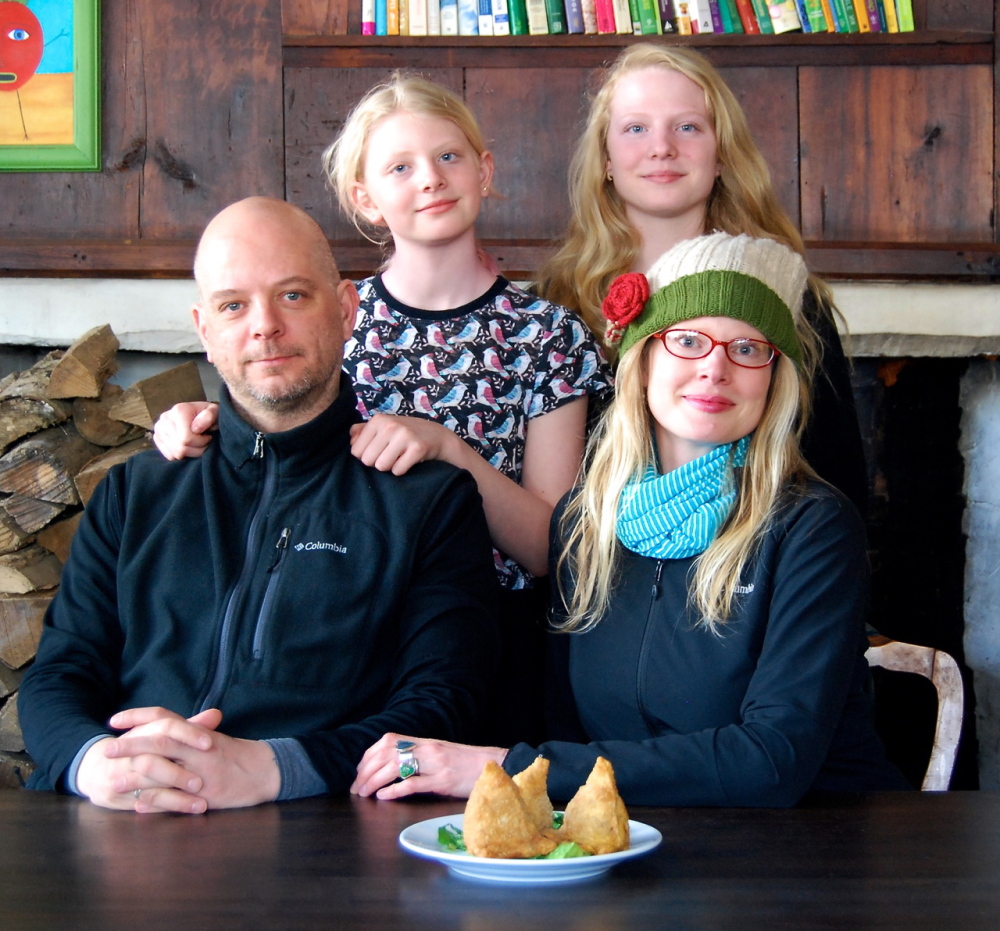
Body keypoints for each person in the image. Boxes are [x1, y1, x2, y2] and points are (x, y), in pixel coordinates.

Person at [351, 232, 906, 807]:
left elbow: (771, 762)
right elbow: (569, 738)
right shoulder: (586, 523)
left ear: (773, 379)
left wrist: (504, 767)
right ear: (642, 361)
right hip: (638, 844)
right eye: (687, 341)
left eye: (747, 349)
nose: (715, 369)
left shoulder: (811, 528)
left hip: (812, 853)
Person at [152, 75, 612, 746]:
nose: (431, 179)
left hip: (497, 636)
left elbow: (550, 549)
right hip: (342, 620)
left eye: (449, 157)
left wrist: (449, 449)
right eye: (401, 166)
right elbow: (275, 434)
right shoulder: (327, 314)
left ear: (484, 171)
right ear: (365, 200)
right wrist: (194, 425)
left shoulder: (548, 334)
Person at [17, 197, 501, 814]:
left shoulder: (426, 499)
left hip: (328, 831)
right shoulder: (136, 492)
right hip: (124, 817)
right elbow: (60, 672)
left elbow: (445, 702)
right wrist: (93, 765)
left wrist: (275, 768)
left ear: (347, 310)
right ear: (205, 330)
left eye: (293, 295)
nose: (264, 325)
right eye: (233, 305)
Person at [534, 44, 868, 514]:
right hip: (596, 566)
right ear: (606, 159)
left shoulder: (788, 300)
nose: (661, 147)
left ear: (722, 156)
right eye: (635, 128)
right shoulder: (555, 303)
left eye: (687, 127)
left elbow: (838, 478)